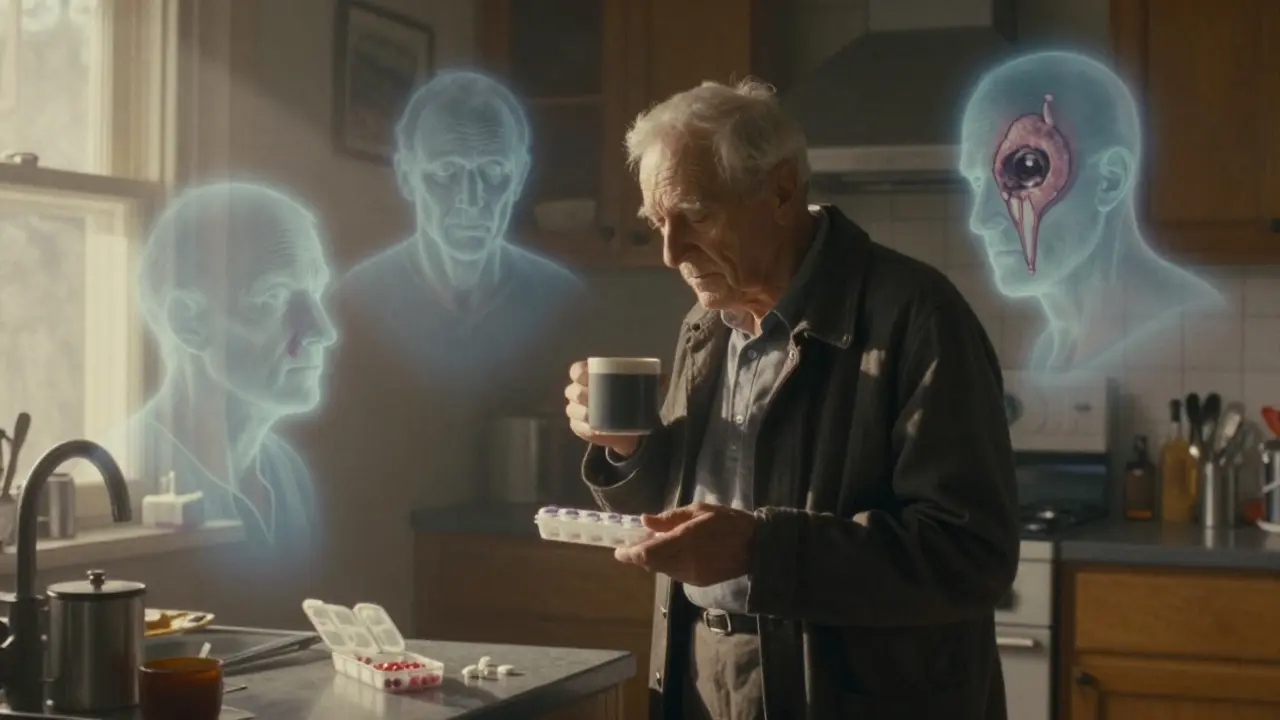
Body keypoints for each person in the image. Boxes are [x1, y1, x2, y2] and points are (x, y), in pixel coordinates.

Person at [563, 79, 1019, 719]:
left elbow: (971, 557)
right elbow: (679, 511)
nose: (670, 252)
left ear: (780, 191)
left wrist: (759, 549)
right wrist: (629, 450)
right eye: (658, 223)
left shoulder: (917, 316)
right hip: (703, 677)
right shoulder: (706, 324)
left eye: (696, 214)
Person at [959, 51, 1220, 378]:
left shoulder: (1191, 331)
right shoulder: (1049, 351)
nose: (981, 220)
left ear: (1110, 180)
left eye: (1025, 169)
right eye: (977, 181)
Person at [119, 181, 337, 549]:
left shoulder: (287, 471)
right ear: (189, 322)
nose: (322, 331)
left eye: (316, 293)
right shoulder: (130, 469)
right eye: (273, 297)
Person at [337, 70, 585, 385]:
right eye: (446, 171)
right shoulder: (355, 302)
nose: (471, 199)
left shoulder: (563, 300)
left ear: (520, 178)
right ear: (406, 175)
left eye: (493, 170)